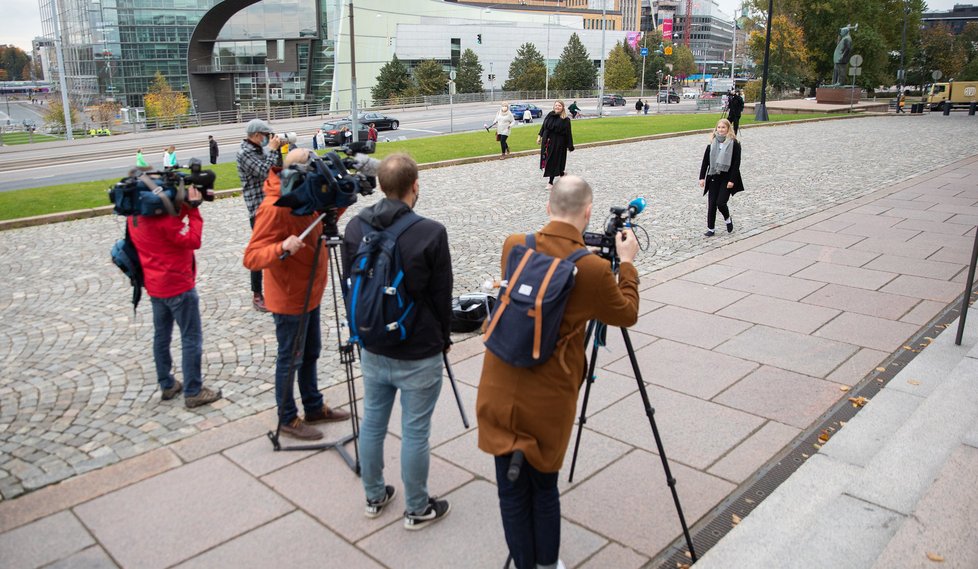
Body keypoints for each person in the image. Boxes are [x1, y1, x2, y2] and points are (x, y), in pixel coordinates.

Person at [476, 175, 640, 569]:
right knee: (543, 488)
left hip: (499, 384)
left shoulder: (516, 245)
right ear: (588, 213)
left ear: (549, 206)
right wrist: (628, 265)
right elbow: (626, 313)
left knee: (511, 492)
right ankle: (546, 565)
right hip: (547, 398)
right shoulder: (594, 272)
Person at [341, 153, 454, 530]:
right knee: (415, 431)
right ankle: (417, 507)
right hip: (418, 346)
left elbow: (350, 288)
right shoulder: (431, 232)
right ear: (414, 186)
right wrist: (443, 339)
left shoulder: (355, 228)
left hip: (373, 343)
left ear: (380, 186)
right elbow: (441, 296)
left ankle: (374, 497)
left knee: (372, 422)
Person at [243, 148, 351, 440]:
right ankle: (287, 419)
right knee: (291, 358)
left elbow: (321, 217)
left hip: (311, 289)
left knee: (311, 352)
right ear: (300, 174)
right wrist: (281, 248)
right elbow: (251, 257)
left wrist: (341, 194)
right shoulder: (274, 206)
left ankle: (314, 406)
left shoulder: (307, 191)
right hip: (290, 297)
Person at [129, 184, 223, 409]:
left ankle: (167, 384)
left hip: (154, 285)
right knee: (191, 338)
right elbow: (194, 239)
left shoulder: (134, 218)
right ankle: (193, 390)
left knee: (161, 336)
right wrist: (193, 210)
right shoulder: (166, 223)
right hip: (178, 285)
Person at [236, 118, 282, 313]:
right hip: (258, 210)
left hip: (271, 205)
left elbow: (277, 170)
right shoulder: (244, 153)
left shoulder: (256, 150)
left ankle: (276, 289)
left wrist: (277, 151)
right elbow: (265, 172)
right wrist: (271, 150)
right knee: (260, 249)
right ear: (256, 135)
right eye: (265, 135)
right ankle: (257, 294)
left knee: (276, 246)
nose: (267, 138)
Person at [698, 118, 744, 237]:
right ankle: (711, 228)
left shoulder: (734, 144)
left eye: (723, 127)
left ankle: (727, 218)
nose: (721, 130)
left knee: (721, 202)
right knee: (712, 203)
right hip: (714, 176)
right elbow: (705, 162)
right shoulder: (712, 144)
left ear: (728, 129)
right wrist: (702, 177)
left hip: (727, 177)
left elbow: (736, 164)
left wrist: (732, 180)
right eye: (719, 127)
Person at [537, 100, 574, 190]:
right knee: (548, 160)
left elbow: (568, 133)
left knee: (553, 161)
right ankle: (561, 173)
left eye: (559, 106)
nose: (557, 107)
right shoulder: (549, 115)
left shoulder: (565, 119)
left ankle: (550, 181)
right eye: (556, 105)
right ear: (554, 106)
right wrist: (539, 136)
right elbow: (543, 126)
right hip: (547, 142)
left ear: (562, 108)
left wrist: (570, 145)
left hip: (558, 143)